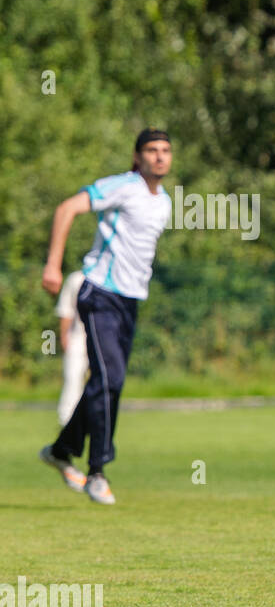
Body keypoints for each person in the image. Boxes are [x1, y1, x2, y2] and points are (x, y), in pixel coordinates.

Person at [39, 129, 174, 505]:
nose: (159, 157)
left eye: (165, 151)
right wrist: (53, 265)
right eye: (151, 150)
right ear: (137, 156)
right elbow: (67, 208)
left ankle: (62, 450)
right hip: (99, 293)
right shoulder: (123, 186)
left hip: (129, 302)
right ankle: (97, 471)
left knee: (108, 382)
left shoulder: (163, 202)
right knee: (109, 378)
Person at [54, 269, 89, 428]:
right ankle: (67, 422)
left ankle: (92, 421)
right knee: (73, 380)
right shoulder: (76, 279)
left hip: (102, 338)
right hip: (78, 338)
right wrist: (64, 336)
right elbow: (66, 310)